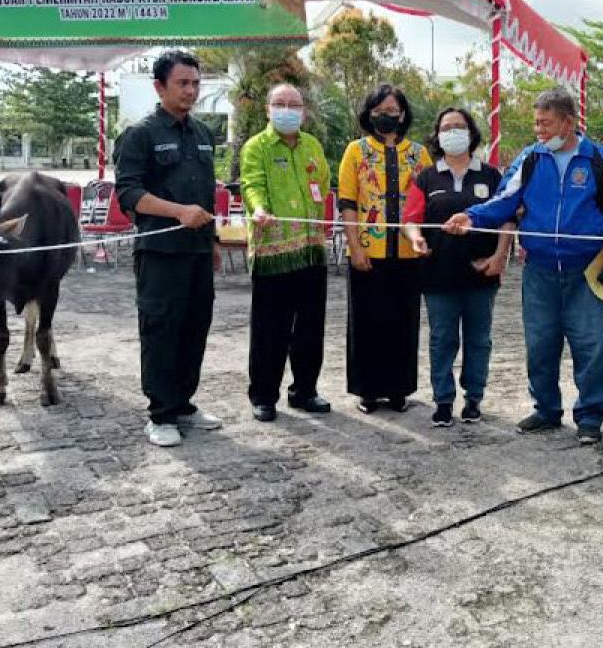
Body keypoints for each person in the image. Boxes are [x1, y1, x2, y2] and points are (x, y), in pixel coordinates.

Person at [444, 87, 603, 445]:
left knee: (590, 345)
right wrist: (471, 216)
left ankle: (590, 416)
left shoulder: (597, 160)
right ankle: (546, 409)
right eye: (536, 123)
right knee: (541, 342)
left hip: (587, 272)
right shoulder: (530, 160)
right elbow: (504, 200)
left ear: (569, 121)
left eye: (545, 123)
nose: (539, 130)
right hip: (540, 271)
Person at [115, 50, 222, 447]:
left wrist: (211, 242)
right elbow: (128, 193)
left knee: (195, 328)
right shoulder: (140, 135)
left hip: (196, 251)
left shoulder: (203, 135)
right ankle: (160, 414)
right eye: (183, 83)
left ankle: (183, 404)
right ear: (159, 86)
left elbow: (206, 195)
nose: (191, 90)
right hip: (160, 255)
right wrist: (178, 212)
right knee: (161, 330)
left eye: (195, 83)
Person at [402, 108, 515, 426]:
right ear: (438, 135)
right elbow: (411, 220)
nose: (452, 132)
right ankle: (443, 400)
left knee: (479, 339)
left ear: (471, 132)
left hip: (481, 273)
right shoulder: (426, 176)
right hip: (437, 274)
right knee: (442, 338)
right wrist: (415, 240)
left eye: (459, 126)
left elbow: (507, 218)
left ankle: (474, 398)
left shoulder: (491, 175)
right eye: (446, 127)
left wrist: (500, 257)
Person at [239, 83, 332, 423]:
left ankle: (305, 390)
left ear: (304, 110)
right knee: (270, 329)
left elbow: (322, 183)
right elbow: (252, 183)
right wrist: (260, 208)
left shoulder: (312, 146)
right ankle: (264, 395)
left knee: (310, 327)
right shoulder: (256, 147)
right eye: (280, 104)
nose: (288, 110)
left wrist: (318, 220)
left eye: (294, 104)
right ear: (267, 110)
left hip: (310, 250)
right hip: (273, 251)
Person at [338, 84, 432, 414]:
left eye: (393, 111)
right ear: (369, 114)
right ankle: (368, 391)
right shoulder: (355, 151)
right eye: (379, 111)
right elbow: (348, 202)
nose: (386, 117)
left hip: (408, 254)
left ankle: (398, 390)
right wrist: (355, 246)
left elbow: (424, 202)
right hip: (367, 251)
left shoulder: (418, 154)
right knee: (367, 322)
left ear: (403, 115)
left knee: (403, 322)